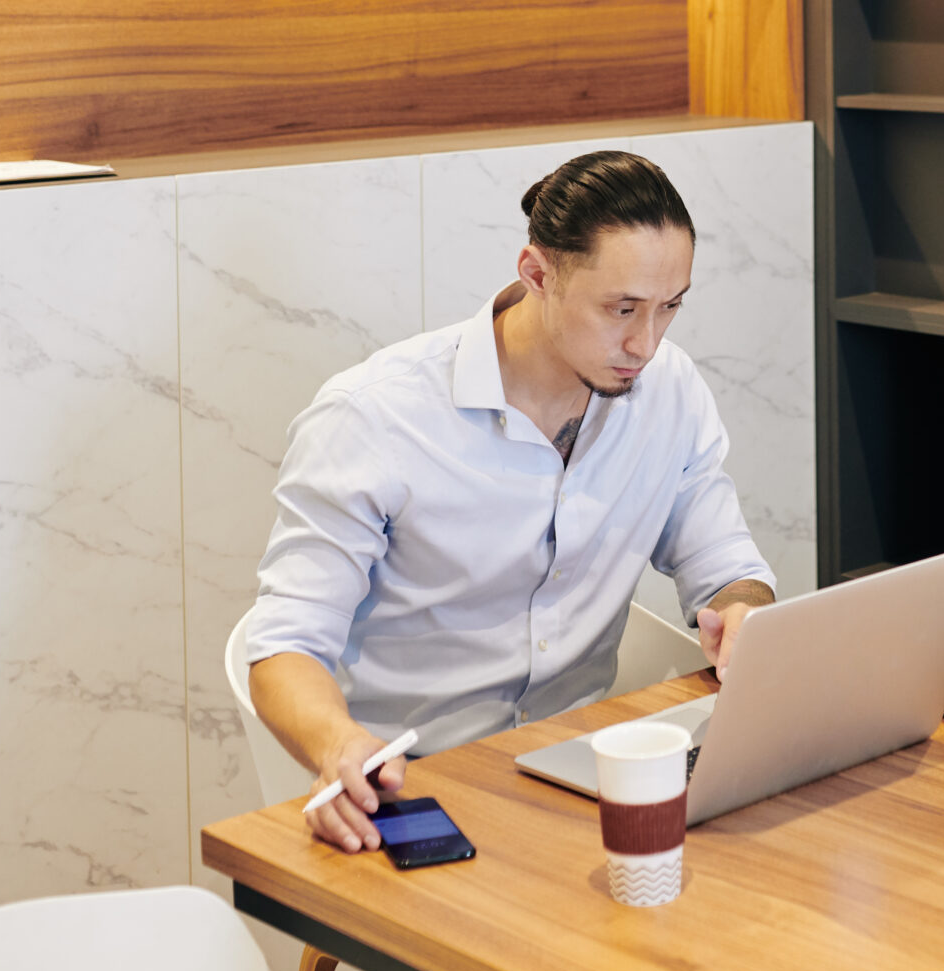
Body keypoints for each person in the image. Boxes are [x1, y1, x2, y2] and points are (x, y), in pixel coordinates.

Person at [245, 148, 774, 856]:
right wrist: (338, 741)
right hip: (422, 784)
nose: (645, 344)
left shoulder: (667, 389)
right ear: (536, 275)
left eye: (668, 308)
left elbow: (726, 567)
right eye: (621, 310)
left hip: (582, 767)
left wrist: (741, 612)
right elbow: (284, 643)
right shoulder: (372, 418)